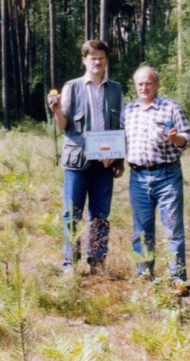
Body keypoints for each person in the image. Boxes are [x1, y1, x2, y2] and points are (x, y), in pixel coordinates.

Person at [48, 39, 124, 275]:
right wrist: (56, 110)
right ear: (84, 60)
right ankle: (70, 263)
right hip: (77, 161)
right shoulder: (72, 87)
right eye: (93, 58)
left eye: (101, 58)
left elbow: (121, 125)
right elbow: (63, 126)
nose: (97, 62)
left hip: (105, 163)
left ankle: (97, 263)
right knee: (72, 213)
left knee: (100, 214)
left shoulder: (116, 89)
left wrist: (118, 158)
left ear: (106, 60)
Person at [121, 65, 190, 295]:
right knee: (142, 231)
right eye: (140, 84)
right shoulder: (128, 111)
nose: (144, 87)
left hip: (167, 176)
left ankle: (177, 278)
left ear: (157, 84)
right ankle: (144, 274)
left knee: (173, 229)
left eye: (148, 83)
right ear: (135, 86)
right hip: (138, 177)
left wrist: (177, 138)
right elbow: (118, 140)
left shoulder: (170, 108)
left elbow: (187, 137)